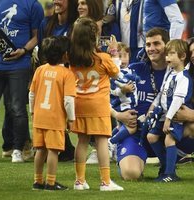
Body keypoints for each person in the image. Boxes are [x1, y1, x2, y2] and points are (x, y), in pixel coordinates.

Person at [69, 17, 123, 191]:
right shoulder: (102, 58)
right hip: (98, 105)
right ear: (94, 38)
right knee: (101, 141)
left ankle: (79, 181)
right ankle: (105, 182)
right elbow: (116, 73)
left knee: (82, 141)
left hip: (79, 104)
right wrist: (113, 53)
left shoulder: (72, 58)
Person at [111, 27, 171, 180]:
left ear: (167, 45)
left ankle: (174, 160)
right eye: (148, 44)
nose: (151, 49)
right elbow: (104, 97)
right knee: (131, 174)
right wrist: (118, 115)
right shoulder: (134, 70)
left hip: (167, 133)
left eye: (156, 44)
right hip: (136, 133)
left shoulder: (177, 72)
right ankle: (124, 154)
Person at [0, 0, 44, 163]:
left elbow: (37, 36)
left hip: (19, 64)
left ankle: (18, 149)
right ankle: (13, 147)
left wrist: (24, 50)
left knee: (17, 108)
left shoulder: (33, 5)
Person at [30, 36, 76, 190]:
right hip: (54, 118)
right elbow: (68, 100)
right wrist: (71, 119)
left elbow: (32, 94)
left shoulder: (40, 70)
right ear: (64, 54)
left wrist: (32, 111)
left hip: (39, 116)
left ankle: (37, 181)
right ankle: (50, 182)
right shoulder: (67, 74)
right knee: (53, 151)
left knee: (40, 150)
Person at [147, 39, 192, 182]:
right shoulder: (170, 73)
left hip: (174, 115)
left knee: (169, 139)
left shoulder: (184, 77)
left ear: (182, 56)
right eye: (167, 54)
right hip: (163, 113)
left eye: (171, 54)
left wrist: (168, 118)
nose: (167, 57)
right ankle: (167, 166)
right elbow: (162, 93)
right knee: (151, 137)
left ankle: (170, 174)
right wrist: (153, 107)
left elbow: (178, 100)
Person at [38, 0, 78, 162]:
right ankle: (63, 148)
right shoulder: (46, 24)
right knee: (55, 111)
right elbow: (42, 50)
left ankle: (96, 146)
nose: (55, 1)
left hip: (72, 74)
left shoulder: (75, 26)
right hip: (52, 75)